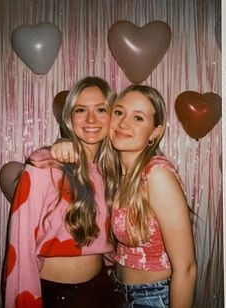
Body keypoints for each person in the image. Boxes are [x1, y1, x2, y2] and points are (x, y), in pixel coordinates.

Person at [50, 84, 197, 308]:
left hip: (152, 297)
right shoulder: (113, 173)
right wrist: (63, 142)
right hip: (116, 291)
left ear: (155, 131)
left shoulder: (156, 175)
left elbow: (186, 268)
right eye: (119, 112)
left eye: (138, 118)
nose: (124, 123)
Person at [3, 76, 116, 308]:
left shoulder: (112, 172)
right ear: (69, 117)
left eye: (101, 109)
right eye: (81, 110)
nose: (91, 119)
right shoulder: (43, 164)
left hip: (103, 290)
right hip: (57, 297)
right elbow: (21, 246)